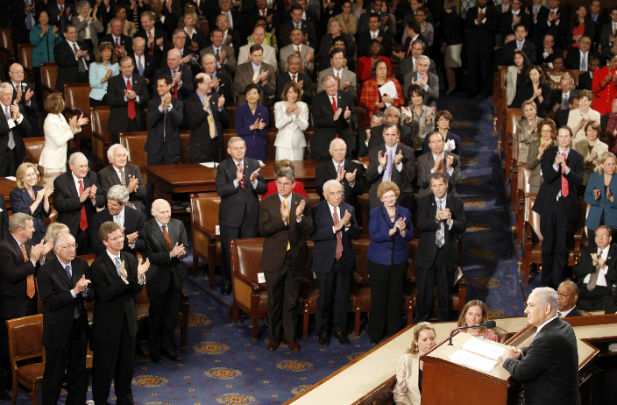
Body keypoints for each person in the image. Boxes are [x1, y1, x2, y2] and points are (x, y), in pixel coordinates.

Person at [90, 221, 149, 405]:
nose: (119, 241)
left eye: (120, 237)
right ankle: (100, 401)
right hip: (107, 324)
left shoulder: (130, 258)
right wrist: (123, 280)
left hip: (128, 321)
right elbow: (104, 295)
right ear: (105, 242)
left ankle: (125, 400)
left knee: (126, 367)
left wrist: (138, 277)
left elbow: (134, 292)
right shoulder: (97, 265)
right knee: (104, 368)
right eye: (114, 239)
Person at [259, 168, 313, 351]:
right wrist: (282, 220)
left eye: (286, 184)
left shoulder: (303, 202)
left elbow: (310, 230)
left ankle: (290, 337)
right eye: (279, 183)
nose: (282, 187)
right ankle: (274, 337)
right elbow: (263, 230)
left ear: (293, 184)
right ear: (275, 183)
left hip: (296, 259)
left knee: (291, 300)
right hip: (274, 259)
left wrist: (298, 217)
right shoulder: (267, 203)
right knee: (274, 301)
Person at [0, 213, 51, 401]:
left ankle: (27, 380)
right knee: (9, 349)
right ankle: (6, 386)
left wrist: (41, 258)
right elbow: (12, 275)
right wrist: (33, 261)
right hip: (11, 306)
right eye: (30, 227)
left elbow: (35, 270)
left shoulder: (28, 245)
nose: (34, 229)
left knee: (30, 344)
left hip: (29, 301)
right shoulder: (4, 248)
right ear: (20, 230)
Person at [38, 231, 93, 405]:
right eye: (67, 246)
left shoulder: (81, 265)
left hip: (79, 327)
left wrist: (85, 292)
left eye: (74, 246)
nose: (72, 250)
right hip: (57, 330)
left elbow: (91, 294)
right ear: (56, 249)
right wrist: (74, 291)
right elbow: (50, 303)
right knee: (54, 375)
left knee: (78, 372)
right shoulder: (46, 271)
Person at [502, 287, 581, 405]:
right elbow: (543, 353)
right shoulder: (564, 326)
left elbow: (521, 372)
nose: (526, 311)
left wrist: (508, 358)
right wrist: (521, 351)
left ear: (547, 308)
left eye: (531, 305)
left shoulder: (548, 338)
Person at [532, 126, 584, 288]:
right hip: (549, 206)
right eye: (560, 136)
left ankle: (557, 281)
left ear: (571, 138)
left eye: (566, 136)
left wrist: (567, 169)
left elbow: (578, 180)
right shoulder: (549, 153)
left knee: (561, 247)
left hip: (565, 207)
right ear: (557, 138)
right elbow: (547, 177)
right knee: (548, 245)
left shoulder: (577, 158)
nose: (563, 139)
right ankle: (546, 281)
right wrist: (556, 164)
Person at [312, 180, 360, 347]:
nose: (337, 196)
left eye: (339, 192)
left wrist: (347, 226)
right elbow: (315, 234)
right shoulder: (317, 210)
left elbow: (356, 233)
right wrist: (336, 227)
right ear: (325, 195)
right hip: (325, 259)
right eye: (332, 193)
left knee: (342, 298)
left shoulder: (349, 208)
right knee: (324, 298)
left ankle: (340, 330)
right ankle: (323, 331)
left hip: (344, 260)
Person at [216, 137, 266, 295]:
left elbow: (263, 188)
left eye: (242, 148)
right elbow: (221, 191)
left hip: (250, 216)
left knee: (248, 252)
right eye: (236, 148)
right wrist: (237, 181)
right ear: (229, 150)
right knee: (228, 252)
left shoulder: (254, 164)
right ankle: (228, 283)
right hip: (230, 217)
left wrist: (254, 182)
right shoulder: (223, 167)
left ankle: (248, 284)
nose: (239, 151)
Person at [415, 172, 466, 322]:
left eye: (440, 185)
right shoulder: (423, 202)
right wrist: (436, 219)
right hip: (427, 254)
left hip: (446, 254)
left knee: (444, 294)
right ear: (431, 187)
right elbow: (420, 225)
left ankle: (445, 326)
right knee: (424, 293)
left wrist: (450, 221)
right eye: (434, 186)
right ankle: (420, 325)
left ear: (446, 185)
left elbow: (462, 227)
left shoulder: (457, 203)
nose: (438, 189)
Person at [367, 181, 413, 344]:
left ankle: (393, 331)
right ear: (381, 198)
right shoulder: (375, 213)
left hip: (399, 260)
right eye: (386, 196)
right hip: (378, 261)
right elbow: (374, 235)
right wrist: (391, 231)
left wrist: (402, 231)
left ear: (396, 195)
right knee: (379, 297)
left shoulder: (405, 211)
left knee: (395, 296)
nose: (390, 199)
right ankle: (376, 333)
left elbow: (410, 235)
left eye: (392, 196)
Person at [144, 199, 187, 363]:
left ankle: (169, 347)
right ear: (153, 212)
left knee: (171, 316)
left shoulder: (178, 225)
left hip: (175, 277)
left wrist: (181, 253)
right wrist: (170, 254)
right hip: (157, 278)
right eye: (162, 212)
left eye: (168, 211)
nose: (166, 215)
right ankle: (154, 349)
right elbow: (149, 256)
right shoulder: (147, 228)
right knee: (156, 316)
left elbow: (186, 249)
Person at [54, 152, 106, 255]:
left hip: (90, 227)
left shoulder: (93, 176)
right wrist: (79, 200)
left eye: (86, 166)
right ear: (71, 166)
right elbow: (59, 205)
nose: (84, 169)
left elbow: (102, 200)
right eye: (81, 166)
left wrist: (93, 198)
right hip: (71, 227)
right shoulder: (61, 181)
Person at [366, 123, 416, 212]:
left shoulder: (408, 152)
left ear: (398, 135)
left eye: (393, 135)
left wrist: (399, 165)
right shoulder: (374, 152)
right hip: (379, 195)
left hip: (400, 194)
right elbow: (369, 177)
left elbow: (411, 177)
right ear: (383, 135)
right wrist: (381, 166)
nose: (390, 138)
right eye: (387, 135)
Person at [315, 138, 366, 227]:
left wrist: (352, 182)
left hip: (351, 212)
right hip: (329, 213)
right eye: (336, 150)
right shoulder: (321, 169)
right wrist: (336, 182)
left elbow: (361, 190)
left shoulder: (355, 166)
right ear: (331, 152)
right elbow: (320, 190)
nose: (339, 152)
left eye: (342, 149)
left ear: (345, 150)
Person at [39, 92, 87, 175]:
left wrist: (77, 125)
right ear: (56, 104)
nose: (64, 103)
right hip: (52, 162)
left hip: (61, 159)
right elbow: (59, 141)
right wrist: (71, 128)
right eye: (62, 101)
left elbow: (67, 133)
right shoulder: (50, 121)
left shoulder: (60, 116)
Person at [91, 185, 146, 257]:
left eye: (114, 205)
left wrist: (131, 243)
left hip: (129, 262)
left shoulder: (137, 216)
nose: (109, 207)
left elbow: (143, 243)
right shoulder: (98, 218)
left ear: (123, 204)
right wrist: (115, 243)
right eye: (108, 203)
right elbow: (97, 247)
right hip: (106, 261)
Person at [185, 73, 228, 163]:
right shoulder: (189, 101)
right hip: (201, 147)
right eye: (208, 83)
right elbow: (192, 124)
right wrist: (204, 110)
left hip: (217, 145)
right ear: (199, 85)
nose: (211, 85)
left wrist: (220, 108)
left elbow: (226, 122)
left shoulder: (216, 97)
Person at [573, 225, 617, 313]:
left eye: (604, 235)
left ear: (610, 238)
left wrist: (604, 267)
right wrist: (592, 264)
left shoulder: (615, 251)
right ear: (595, 238)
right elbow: (577, 271)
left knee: (609, 302)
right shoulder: (587, 251)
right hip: (584, 287)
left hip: (604, 289)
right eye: (598, 236)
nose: (600, 238)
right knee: (569, 297)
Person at [312, 75, 356, 160]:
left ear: (337, 84)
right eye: (329, 87)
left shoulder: (346, 97)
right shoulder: (317, 99)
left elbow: (354, 117)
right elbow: (318, 121)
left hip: (344, 142)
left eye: (333, 85)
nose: (332, 89)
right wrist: (333, 118)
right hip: (324, 146)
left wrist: (347, 118)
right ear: (324, 87)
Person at [107, 56, 150, 143]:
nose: (127, 69)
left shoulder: (141, 80)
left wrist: (136, 98)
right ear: (120, 68)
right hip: (119, 122)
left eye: (129, 66)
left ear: (133, 66)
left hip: (137, 122)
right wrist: (125, 98)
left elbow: (147, 97)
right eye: (124, 67)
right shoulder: (113, 81)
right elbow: (110, 100)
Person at [392, 322, 436, 405]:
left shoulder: (442, 362)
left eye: (432, 339)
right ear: (416, 341)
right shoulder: (406, 360)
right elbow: (399, 394)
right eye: (424, 340)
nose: (430, 342)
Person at [145, 75, 184, 166]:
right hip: (154, 146)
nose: (158, 88)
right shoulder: (152, 103)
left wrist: (170, 106)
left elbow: (179, 121)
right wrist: (161, 107)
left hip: (172, 147)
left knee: (171, 177)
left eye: (161, 86)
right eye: (157, 86)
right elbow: (150, 121)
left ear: (169, 86)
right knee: (152, 177)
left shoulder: (178, 103)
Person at [10, 163, 52, 244]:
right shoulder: (15, 193)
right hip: (26, 230)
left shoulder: (39, 189)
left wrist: (46, 198)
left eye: (33, 174)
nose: (32, 177)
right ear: (22, 178)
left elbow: (46, 213)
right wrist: (38, 200)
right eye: (28, 175)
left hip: (41, 229)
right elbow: (23, 214)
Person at [465, 0, 498, 99]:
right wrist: (476, 20)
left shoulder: (493, 12)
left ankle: (485, 91)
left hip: (486, 47)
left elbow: (495, 27)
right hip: (473, 46)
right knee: (472, 70)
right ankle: (473, 90)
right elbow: (466, 24)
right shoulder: (471, 11)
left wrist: (483, 20)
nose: (482, 1)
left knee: (486, 71)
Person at [99, 144, 147, 213]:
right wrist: (127, 191)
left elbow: (143, 193)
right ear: (111, 158)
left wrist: (136, 188)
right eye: (119, 156)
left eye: (124, 155)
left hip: (134, 206)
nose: (122, 159)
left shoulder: (134, 169)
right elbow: (109, 197)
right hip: (116, 208)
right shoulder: (104, 174)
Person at [30, 10, 63, 104]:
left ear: (48, 18)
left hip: (52, 61)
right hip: (38, 62)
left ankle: (53, 106)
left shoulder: (53, 28)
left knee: (53, 85)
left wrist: (56, 35)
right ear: (39, 19)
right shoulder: (35, 29)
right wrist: (42, 33)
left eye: (45, 16)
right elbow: (33, 42)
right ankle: (40, 107)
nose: (44, 18)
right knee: (39, 86)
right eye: (41, 16)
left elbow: (60, 43)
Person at [360, 60, 404, 127]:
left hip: (391, 114)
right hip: (375, 114)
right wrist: (375, 104)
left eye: (384, 68)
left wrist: (392, 100)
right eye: (380, 68)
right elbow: (363, 101)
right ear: (375, 71)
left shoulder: (394, 82)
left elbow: (402, 101)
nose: (382, 70)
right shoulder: (367, 83)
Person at [417, 132, 462, 198]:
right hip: (428, 197)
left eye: (439, 141)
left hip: (449, 197)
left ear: (444, 142)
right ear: (429, 145)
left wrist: (449, 168)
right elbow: (422, 183)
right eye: (433, 142)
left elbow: (458, 182)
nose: (436, 144)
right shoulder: (422, 159)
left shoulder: (454, 158)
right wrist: (434, 169)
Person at [0, 82, 31, 177]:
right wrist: (13, 119)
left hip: (16, 152)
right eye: (6, 94)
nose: (9, 97)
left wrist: (18, 116)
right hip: (2, 153)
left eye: (10, 94)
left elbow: (28, 129)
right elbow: (1, 129)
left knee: (16, 180)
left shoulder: (18, 107)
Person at [273, 82, 309, 161]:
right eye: (290, 92)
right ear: (285, 93)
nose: (293, 95)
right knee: (282, 170)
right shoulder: (278, 105)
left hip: (298, 144)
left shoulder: (303, 106)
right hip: (282, 144)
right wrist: (287, 113)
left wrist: (297, 116)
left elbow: (304, 127)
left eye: (295, 92)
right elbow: (278, 125)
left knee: (298, 171)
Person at [236, 84, 269, 161]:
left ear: (259, 96)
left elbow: (266, 131)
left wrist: (261, 128)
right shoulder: (240, 110)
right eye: (249, 93)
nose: (252, 96)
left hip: (260, 145)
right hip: (245, 146)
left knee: (260, 170)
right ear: (246, 97)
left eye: (254, 93)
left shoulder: (264, 110)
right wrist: (252, 127)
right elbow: (239, 131)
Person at [54, 24, 90, 92]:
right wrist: (76, 57)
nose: (74, 34)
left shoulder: (83, 44)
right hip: (70, 78)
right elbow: (62, 62)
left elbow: (92, 57)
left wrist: (86, 56)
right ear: (65, 34)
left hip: (86, 76)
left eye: (75, 32)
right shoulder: (59, 47)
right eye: (71, 33)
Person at [527, 118, 557, 194]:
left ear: (552, 132)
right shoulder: (534, 144)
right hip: (536, 182)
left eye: (548, 131)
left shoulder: (557, 145)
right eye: (543, 131)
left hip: (552, 182)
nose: (545, 133)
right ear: (540, 132)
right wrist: (539, 155)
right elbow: (530, 165)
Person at [401, 85, 435, 152]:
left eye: (418, 96)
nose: (417, 99)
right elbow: (404, 131)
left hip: (425, 144)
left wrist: (428, 118)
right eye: (414, 96)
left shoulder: (429, 110)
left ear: (422, 97)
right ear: (410, 99)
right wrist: (409, 119)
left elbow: (430, 131)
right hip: (410, 144)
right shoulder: (405, 110)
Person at [575, 121, 608, 189]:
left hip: (596, 181)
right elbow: (576, 166)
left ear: (598, 132)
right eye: (589, 130)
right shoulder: (578, 145)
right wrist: (589, 159)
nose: (591, 133)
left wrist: (596, 161)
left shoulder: (604, 147)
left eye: (594, 131)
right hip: (581, 181)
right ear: (586, 132)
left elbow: (605, 167)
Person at [440, 0, 463, 95]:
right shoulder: (457, 17)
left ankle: (451, 86)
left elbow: (448, 33)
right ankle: (453, 85)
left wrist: (443, 44)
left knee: (449, 66)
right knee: (452, 66)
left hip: (451, 44)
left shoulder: (449, 18)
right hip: (457, 43)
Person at [89, 42, 119, 106]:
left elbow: (117, 83)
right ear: (100, 53)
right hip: (96, 97)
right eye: (105, 51)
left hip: (111, 96)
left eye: (109, 51)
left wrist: (111, 78)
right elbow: (93, 84)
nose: (107, 53)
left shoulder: (115, 65)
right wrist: (105, 78)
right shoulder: (93, 65)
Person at [514, 100, 540, 165]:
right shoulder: (520, 123)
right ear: (524, 113)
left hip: (538, 151)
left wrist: (536, 130)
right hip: (525, 153)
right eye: (526, 110)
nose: (529, 113)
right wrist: (530, 131)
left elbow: (545, 137)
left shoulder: (542, 122)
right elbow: (519, 138)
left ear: (535, 110)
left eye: (531, 110)